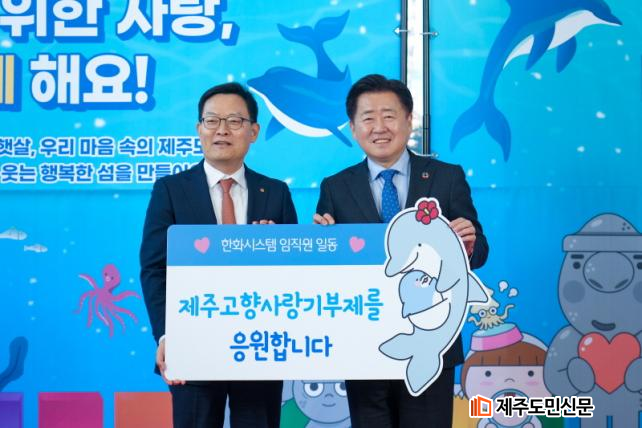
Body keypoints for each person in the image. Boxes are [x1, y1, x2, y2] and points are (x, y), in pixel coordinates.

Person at [314, 74, 489, 428]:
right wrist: (322, 245)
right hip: (363, 343)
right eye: (367, 118)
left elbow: (479, 250)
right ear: (353, 128)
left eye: (389, 116)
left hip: (432, 338)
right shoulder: (335, 187)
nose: (379, 127)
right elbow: (327, 269)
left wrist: (469, 244)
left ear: (409, 121)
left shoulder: (446, 177)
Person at [140, 82, 298, 428]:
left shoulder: (275, 192)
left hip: (259, 345)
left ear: (253, 131)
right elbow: (154, 269)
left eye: (234, 121)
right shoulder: (171, 190)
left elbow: (294, 273)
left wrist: (274, 250)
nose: (222, 130)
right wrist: (166, 335)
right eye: (212, 121)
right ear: (199, 129)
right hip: (193, 341)